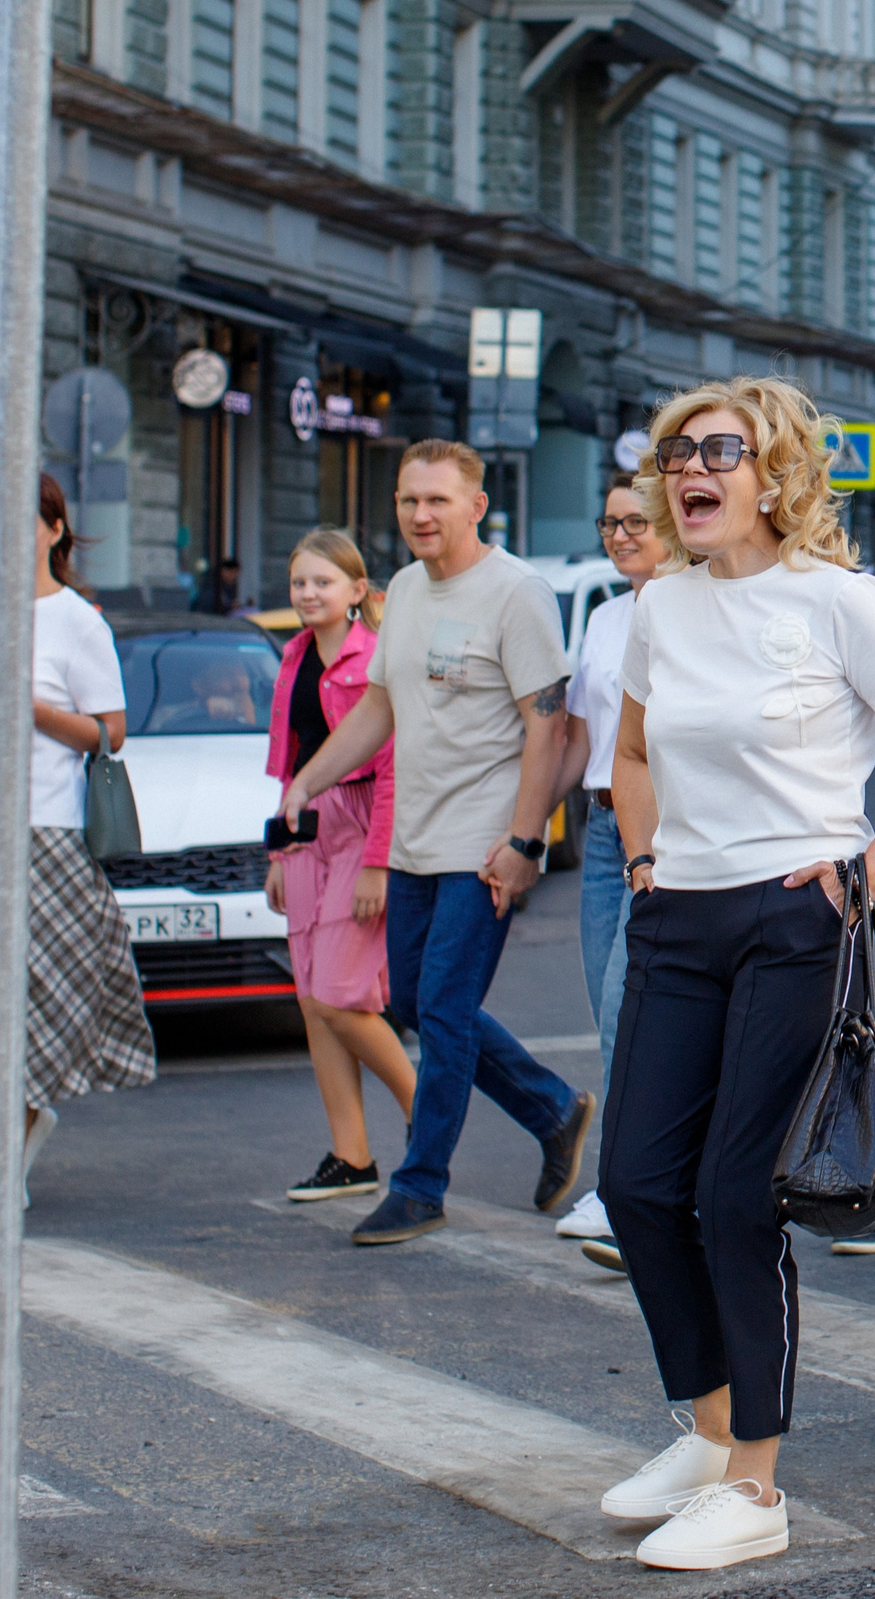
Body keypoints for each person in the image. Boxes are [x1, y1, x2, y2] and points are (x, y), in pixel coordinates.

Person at [597, 377, 875, 1569]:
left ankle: (756, 1488)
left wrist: (861, 874)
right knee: (635, 1184)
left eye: (719, 451)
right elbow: (628, 752)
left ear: (775, 476)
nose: (690, 471)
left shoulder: (838, 603)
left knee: (731, 1195)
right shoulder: (660, 608)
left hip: (789, 921)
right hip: (677, 920)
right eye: (675, 455)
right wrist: (644, 853)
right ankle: (706, 1438)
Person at [279, 440, 593, 1247]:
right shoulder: (409, 592)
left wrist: (526, 839)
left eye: (439, 501)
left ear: (475, 506)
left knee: (446, 1009)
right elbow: (378, 708)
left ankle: (420, 1185)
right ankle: (552, 1106)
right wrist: (307, 782)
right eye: (409, 500)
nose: (421, 515)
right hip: (414, 841)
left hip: (482, 842)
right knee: (413, 1001)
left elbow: (546, 723)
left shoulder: (516, 592)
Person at [266, 529, 415, 1202]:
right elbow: (293, 763)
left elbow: (390, 769)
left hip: (360, 827)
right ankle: (350, 1155)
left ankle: (429, 1117)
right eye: (299, 582)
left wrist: (377, 865)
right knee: (311, 1001)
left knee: (340, 994)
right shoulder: (294, 655)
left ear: (357, 591)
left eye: (321, 582)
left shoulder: (373, 658)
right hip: (305, 833)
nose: (307, 594)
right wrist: (276, 849)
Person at [24, 474, 153, 1205]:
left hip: (47, 828)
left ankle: (22, 1130)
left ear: (54, 528)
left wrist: (31, 706)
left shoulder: (76, 621)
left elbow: (111, 731)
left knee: (49, 994)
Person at [554, 478, 666, 1254]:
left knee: (632, 1003)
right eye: (609, 522)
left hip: (659, 826)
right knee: (608, 1006)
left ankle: (626, 1191)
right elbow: (575, 738)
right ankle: (642, 1180)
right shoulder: (603, 617)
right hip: (599, 827)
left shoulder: (692, 609)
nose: (619, 534)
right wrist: (526, 834)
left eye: (636, 521)